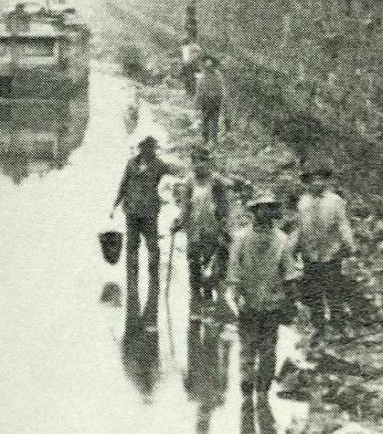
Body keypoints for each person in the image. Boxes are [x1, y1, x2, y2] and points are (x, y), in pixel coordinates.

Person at [225, 194, 299, 397]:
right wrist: (235, 293)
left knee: (268, 348)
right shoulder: (241, 238)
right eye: (259, 209)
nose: (264, 213)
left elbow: (289, 272)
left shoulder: (281, 240)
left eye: (268, 209)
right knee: (247, 346)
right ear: (253, 212)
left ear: (273, 213)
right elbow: (233, 270)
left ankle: (263, 388)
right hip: (248, 299)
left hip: (272, 301)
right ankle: (247, 385)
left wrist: (291, 300)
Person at [294, 166, 357, 341]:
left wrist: (349, 244)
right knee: (314, 293)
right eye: (313, 180)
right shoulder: (303, 203)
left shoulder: (335, 201)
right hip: (310, 254)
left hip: (331, 252)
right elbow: (300, 228)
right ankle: (319, 327)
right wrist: (294, 249)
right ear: (307, 183)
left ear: (326, 181)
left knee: (334, 290)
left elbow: (343, 223)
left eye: (320, 179)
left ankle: (339, 325)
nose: (317, 183)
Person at [112, 136, 174, 293]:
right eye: (146, 148)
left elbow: (173, 171)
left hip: (149, 212)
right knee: (132, 245)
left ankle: (154, 279)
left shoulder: (158, 164)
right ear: (141, 148)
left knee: (152, 245)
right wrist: (115, 204)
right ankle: (132, 279)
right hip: (131, 210)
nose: (149, 150)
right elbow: (123, 184)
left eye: (151, 148)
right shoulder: (131, 163)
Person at [172, 147, 230, 303]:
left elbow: (224, 206)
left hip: (212, 227)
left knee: (210, 262)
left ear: (208, 163)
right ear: (192, 164)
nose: (199, 165)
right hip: (194, 229)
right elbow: (185, 207)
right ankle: (196, 296)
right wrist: (178, 222)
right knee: (193, 262)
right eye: (196, 162)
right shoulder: (189, 182)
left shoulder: (216, 181)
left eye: (203, 161)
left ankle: (209, 290)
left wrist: (224, 224)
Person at [195, 54, 227, 145]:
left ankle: (208, 139)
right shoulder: (216, 74)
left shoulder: (204, 75)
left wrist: (197, 102)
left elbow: (200, 90)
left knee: (207, 119)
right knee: (212, 119)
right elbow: (221, 88)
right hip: (214, 99)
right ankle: (212, 140)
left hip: (210, 99)